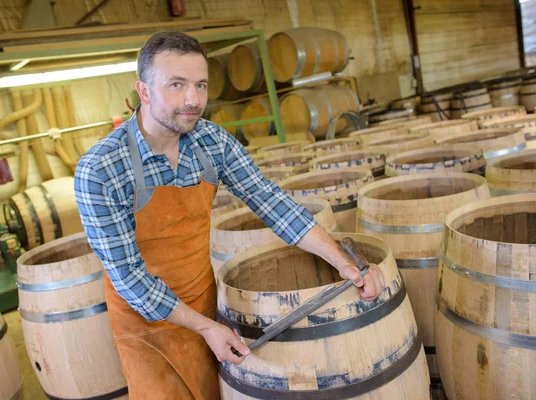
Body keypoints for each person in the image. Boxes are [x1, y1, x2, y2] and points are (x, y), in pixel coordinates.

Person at [74, 31, 385, 400]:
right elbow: (129, 278)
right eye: (177, 85)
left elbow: (273, 203)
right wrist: (204, 328)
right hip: (146, 325)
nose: (193, 100)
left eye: (201, 85)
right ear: (143, 92)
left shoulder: (211, 141)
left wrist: (343, 261)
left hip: (207, 302)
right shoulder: (101, 169)